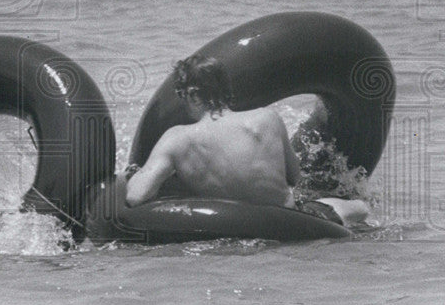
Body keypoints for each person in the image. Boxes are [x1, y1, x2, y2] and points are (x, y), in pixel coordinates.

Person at [124, 54, 369, 224]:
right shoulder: (267, 119)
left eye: (180, 94)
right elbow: (296, 178)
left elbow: (136, 196)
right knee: (360, 207)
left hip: (232, 225)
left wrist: (138, 174)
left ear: (194, 95)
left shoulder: (177, 139)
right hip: (290, 222)